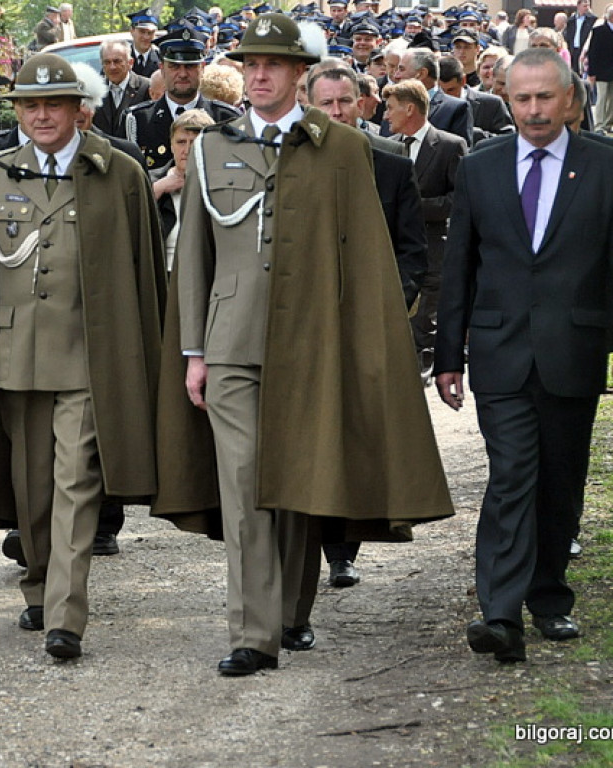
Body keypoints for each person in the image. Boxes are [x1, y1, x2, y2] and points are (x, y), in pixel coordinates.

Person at [153, 13, 453, 676]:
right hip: (231, 345)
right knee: (244, 483)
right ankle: (251, 634)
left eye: (273, 65)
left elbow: (367, 260)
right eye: (249, 65)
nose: (259, 75)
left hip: (311, 344)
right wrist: (193, 354)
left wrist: (367, 353)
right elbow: (195, 260)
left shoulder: (340, 150)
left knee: (293, 481)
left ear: (297, 74)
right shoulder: (211, 148)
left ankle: (291, 611)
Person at [0, 53, 166, 661]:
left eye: (54, 104)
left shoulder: (120, 173)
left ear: (81, 109)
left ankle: (65, 616)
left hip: (90, 359)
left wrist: (144, 364)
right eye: (30, 105)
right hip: (16, 359)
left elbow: (146, 274)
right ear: (19, 113)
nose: (42, 115)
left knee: (76, 482)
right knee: (32, 489)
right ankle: (38, 584)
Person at [435, 47, 613, 663]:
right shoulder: (480, 168)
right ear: (507, 99)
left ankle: (549, 599)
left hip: (575, 349)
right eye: (522, 98)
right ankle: (501, 613)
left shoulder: (605, 166)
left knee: (560, 479)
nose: (533, 110)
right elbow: (459, 266)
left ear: (569, 98)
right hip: (498, 350)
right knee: (512, 473)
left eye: (544, 97)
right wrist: (448, 354)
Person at [305, 62, 429, 589]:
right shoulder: (284, 163)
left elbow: (411, 252)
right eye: (325, 103)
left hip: (365, 328)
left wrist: (382, 306)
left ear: (363, 104)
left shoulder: (391, 165)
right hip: (302, 330)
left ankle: (342, 550)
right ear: (308, 105)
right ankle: (301, 545)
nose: (336, 113)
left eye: (344, 102)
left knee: (354, 437)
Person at [383, 78, 467, 384]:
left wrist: (413, 206)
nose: (385, 115)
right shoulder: (385, 145)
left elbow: (460, 200)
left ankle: (421, 373)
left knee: (423, 324)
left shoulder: (449, 145)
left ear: (409, 109)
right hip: (391, 250)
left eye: (390, 108)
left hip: (433, 250)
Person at [124, 18, 240, 171]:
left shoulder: (226, 118)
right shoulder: (138, 120)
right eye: (174, 66)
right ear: (162, 69)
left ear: (202, 68)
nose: (183, 74)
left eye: (190, 66)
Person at [151, 108, 214, 272]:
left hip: (204, 273)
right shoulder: (151, 181)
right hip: (163, 275)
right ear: (171, 145)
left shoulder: (219, 183)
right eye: (181, 142)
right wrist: (157, 190)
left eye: (194, 142)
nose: (186, 150)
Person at [387, 47, 474, 145]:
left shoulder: (455, 109)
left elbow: (458, 153)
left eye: (402, 69)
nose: (396, 76)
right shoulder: (391, 107)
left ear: (421, 74)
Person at [437, 55, 514, 145]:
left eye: (451, 90)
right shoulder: (431, 106)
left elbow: (509, 141)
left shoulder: (492, 104)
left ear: (463, 81)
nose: (446, 96)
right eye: (441, 91)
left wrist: (474, 133)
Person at [93, 39, 151, 138]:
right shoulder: (95, 90)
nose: (112, 67)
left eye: (117, 61)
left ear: (130, 63)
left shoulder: (146, 87)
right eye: (107, 62)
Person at [584, 4, 613, 133]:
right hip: (602, 71)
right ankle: (599, 125)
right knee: (602, 98)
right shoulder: (599, 31)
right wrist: (592, 72)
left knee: (612, 100)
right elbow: (593, 52)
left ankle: (608, 123)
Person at [129, 9, 162, 77]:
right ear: (132, 31)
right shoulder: (121, 58)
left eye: (150, 33)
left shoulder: (161, 58)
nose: (146, 37)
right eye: (142, 31)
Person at [565, 0, 597, 71]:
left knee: (584, 70)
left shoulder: (592, 19)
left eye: (588, 6)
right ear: (578, 6)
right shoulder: (571, 21)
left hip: (585, 50)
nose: (587, 8)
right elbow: (567, 35)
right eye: (585, 6)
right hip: (573, 49)